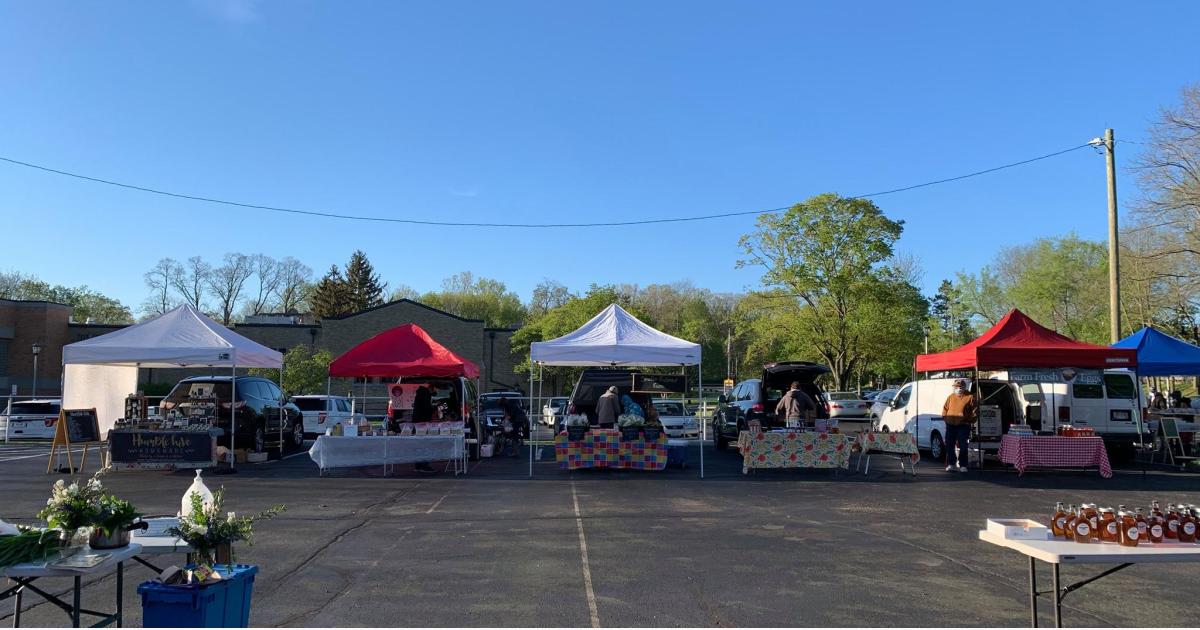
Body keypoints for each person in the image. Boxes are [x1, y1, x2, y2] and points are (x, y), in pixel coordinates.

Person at [941, 379, 977, 473]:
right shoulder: (951, 397)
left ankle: (963, 465)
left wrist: (968, 421)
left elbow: (975, 412)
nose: (958, 389)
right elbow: (945, 409)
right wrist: (946, 419)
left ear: (964, 387)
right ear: (954, 388)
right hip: (950, 425)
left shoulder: (970, 397)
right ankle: (951, 464)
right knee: (949, 445)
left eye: (960, 387)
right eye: (956, 387)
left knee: (963, 445)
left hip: (963, 426)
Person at [410, 386, 435, 472]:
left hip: (417, 422)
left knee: (418, 444)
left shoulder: (420, 393)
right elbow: (426, 408)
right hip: (423, 422)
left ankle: (418, 465)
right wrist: (433, 409)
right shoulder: (426, 394)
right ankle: (424, 465)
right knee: (425, 443)